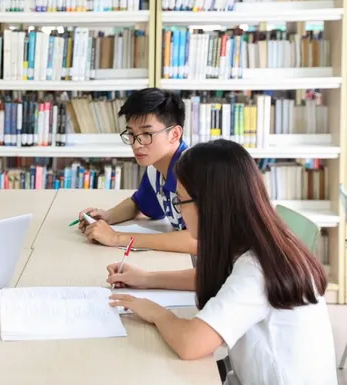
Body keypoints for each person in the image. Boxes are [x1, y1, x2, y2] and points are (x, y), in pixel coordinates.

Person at [107, 139, 336, 385]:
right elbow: (224, 278)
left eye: (180, 201)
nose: (179, 212)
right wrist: (146, 279)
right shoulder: (260, 241)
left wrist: (156, 313)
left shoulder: (257, 269)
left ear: (210, 204)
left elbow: (191, 343)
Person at [78, 87, 196, 254]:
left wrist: (116, 237)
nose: (136, 144)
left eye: (147, 133)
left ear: (174, 134)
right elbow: (139, 204)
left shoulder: (195, 171)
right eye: (132, 133)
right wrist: (108, 217)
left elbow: (197, 240)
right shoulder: (155, 170)